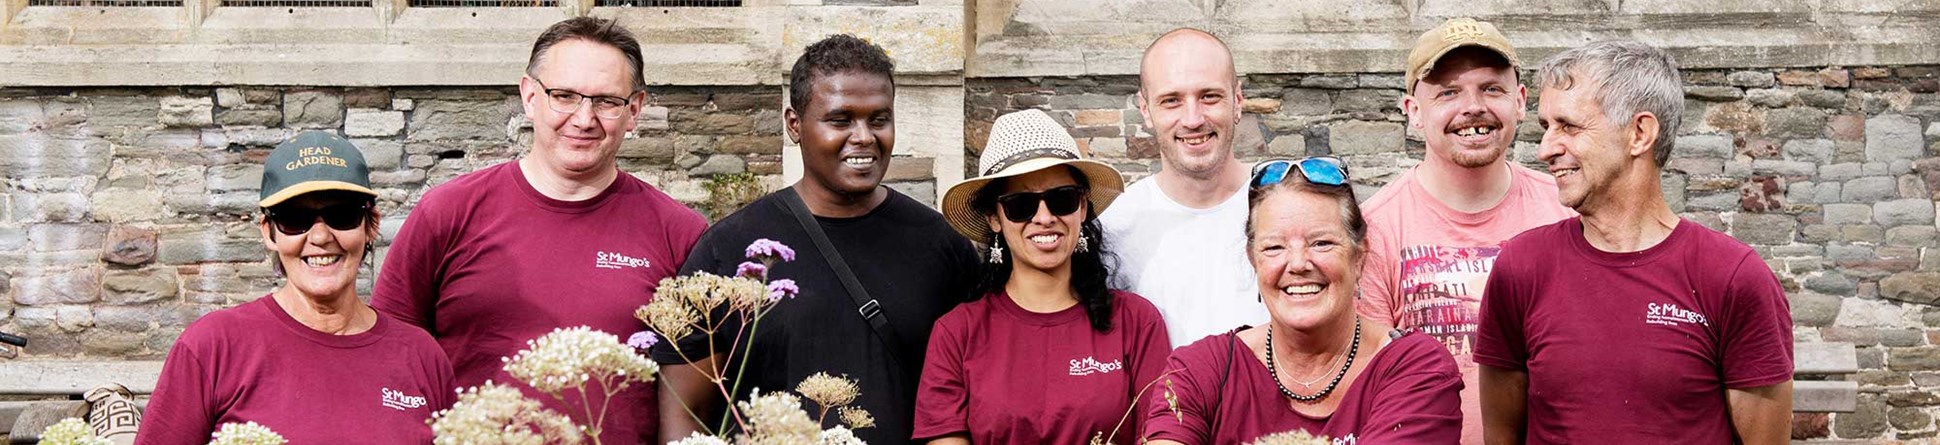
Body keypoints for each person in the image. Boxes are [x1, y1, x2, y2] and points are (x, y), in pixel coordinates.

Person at [373, 17, 708, 443]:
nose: (584, 119)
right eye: (563, 96)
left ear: (634, 110)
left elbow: (692, 404)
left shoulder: (680, 234)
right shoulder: (450, 212)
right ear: (530, 96)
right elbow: (389, 357)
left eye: (606, 101)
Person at [652, 34, 981, 445]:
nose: (864, 136)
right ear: (795, 124)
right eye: (841, 120)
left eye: (878, 119)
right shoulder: (731, 250)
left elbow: (974, 397)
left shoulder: (942, 245)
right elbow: (686, 412)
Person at [1475, 40, 1794, 444]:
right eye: (1546, 127)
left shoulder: (1731, 277)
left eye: (1568, 126)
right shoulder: (1522, 267)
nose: (1545, 149)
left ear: (1639, 133)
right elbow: (1502, 436)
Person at [139, 131, 453, 443]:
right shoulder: (213, 347)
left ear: (370, 226)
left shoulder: (421, 356)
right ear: (269, 232)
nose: (319, 237)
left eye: (341, 216)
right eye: (295, 218)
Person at [1354, 17, 1574, 444]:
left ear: (1521, 101)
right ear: (1413, 113)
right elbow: (1368, 380)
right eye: (1448, 93)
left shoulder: (1567, 210)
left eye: (1491, 88)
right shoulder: (1375, 229)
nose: (1473, 107)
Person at [1140, 157, 1462, 444]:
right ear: (1253, 261)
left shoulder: (1417, 369)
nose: (1297, 264)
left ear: (1359, 257)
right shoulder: (1199, 371)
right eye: (1274, 248)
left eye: (1321, 243)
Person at [914, 109, 1171, 444]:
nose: (1044, 217)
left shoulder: (1136, 321)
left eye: (1061, 199)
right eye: (1021, 205)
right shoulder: (957, 334)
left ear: (1082, 208)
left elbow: (1162, 434)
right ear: (995, 218)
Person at [1101, 28, 1264, 348]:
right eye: (1171, 100)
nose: (1192, 119)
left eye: (1209, 96)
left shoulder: (1285, 205)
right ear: (1146, 110)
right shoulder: (1113, 227)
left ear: (1238, 100)